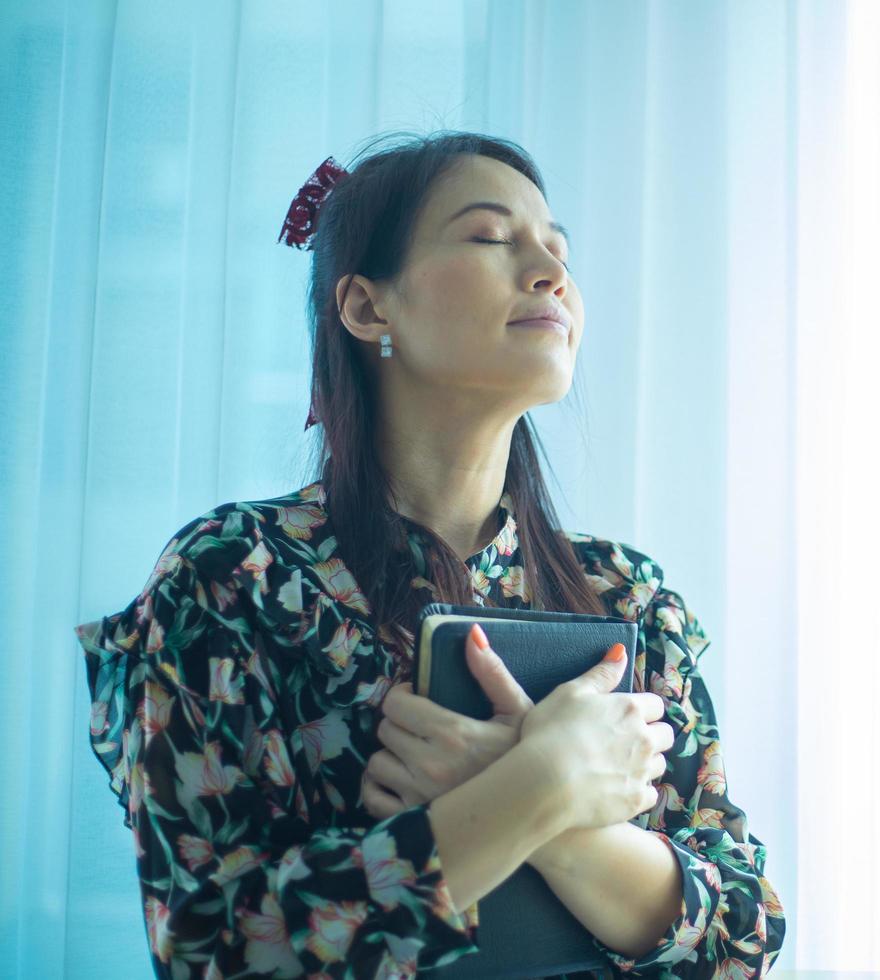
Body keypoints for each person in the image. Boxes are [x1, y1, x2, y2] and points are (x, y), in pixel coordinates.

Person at [74, 130, 784, 979]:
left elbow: (744, 940)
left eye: (558, 249)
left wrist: (522, 790)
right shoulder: (234, 576)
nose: (551, 271)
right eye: (492, 237)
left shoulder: (627, 595)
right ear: (370, 309)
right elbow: (218, 950)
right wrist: (550, 780)